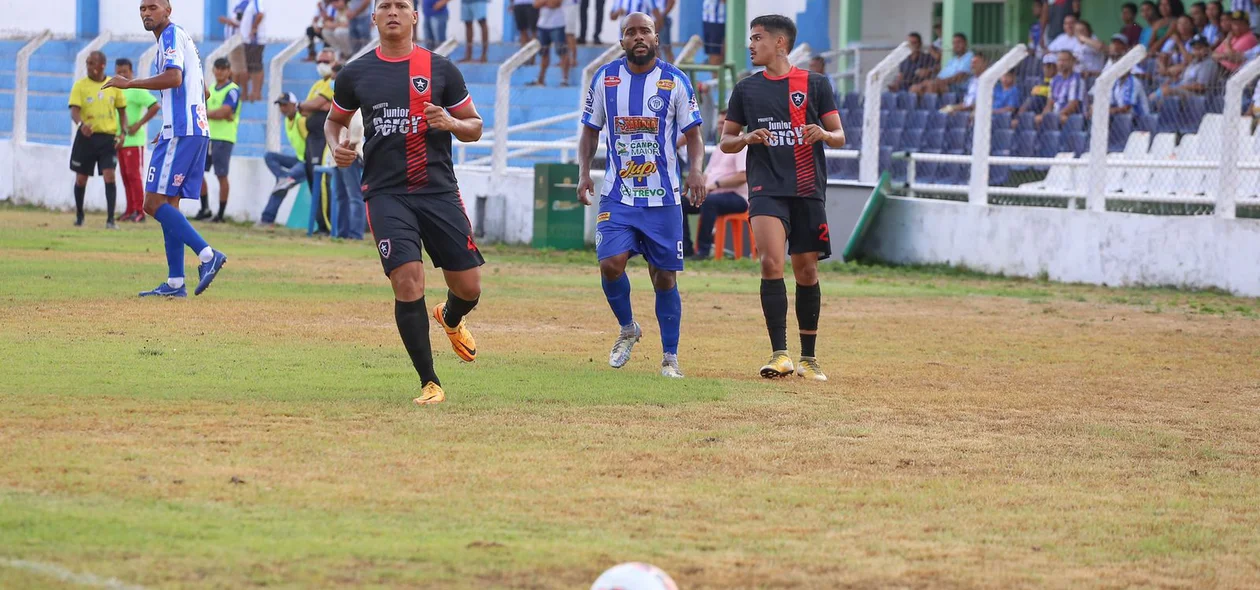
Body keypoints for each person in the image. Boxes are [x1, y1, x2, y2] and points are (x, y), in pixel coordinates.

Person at [326, 0, 486, 405]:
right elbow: (334, 121)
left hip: (437, 190)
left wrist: (449, 122)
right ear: (374, 17)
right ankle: (430, 382)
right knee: (407, 280)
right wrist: (336, 147)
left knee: (468, 287)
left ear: (415, 17)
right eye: (386, 6)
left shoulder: (442, 69)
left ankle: (450, 317)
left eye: (402, 5)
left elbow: (475, 127)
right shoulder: (355, 73)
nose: (393, 11)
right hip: (385, 193)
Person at [576, 12, 704, 379]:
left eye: (644, 30)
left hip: (663, 198)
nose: (638, 37)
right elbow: (589, 131)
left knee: (664, 277)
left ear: (656, 37)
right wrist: (584, 173)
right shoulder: (606, 78)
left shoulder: (675, 81)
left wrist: (695, 170)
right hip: (619, 193)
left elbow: (694, 135)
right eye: (630, 32)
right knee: (609, 264)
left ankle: (670, 357)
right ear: (622, 41)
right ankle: (628, 327)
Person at [719, 15, 844, 382]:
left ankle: (809, 357)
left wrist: (822, 133)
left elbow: (839, 136)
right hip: (766, 187)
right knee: (771, 263)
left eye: (757, 38)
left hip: (807, 188)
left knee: (806, 270)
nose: (751, 45)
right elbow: (725, 142)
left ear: (780, 43)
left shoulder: (815, 84)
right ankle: (780, 354)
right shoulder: (746, 89)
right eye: (750, 38)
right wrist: (745, 139)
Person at [103, 0, 227, 298]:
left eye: (153, 7)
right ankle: (175, 283)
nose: (146, 12)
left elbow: (175, 77)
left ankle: (209, 256)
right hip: (193, 130)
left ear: (167, 10)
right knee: (169, 204)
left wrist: (130, 83)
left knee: (151, 203)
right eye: (142, 8)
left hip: (183, 132)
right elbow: (204, 90)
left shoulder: (170, 35)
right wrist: (170, 122)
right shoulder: (183, 39)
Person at [68, 50, 127, 229]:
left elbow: (122, 110)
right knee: (81, 179)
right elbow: (74, 110)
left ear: (102, 65)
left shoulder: (113, 85)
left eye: (92, 63)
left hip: (107, 138)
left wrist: (123, 132)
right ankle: (79, 215)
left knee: (109, 175)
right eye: (87, 63)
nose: (89, 66)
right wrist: (81, 124)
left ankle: (110, 220)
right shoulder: (80, 85)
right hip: (86, 137)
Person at [684, 108, 747, 259]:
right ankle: (686, 250)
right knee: (680, 202)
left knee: (709, 202)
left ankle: (703, 251)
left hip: (737, 197)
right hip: (712, 194)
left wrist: (716, 185)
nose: (719, 126)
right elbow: (706, 174)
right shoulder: (721, 146)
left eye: (722, 123)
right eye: (718, 123)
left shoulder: (741, 143)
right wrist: (696, 190)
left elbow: (743, 176)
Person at [114, 58, 159, 223]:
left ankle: (140, 211)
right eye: (119, 71)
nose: (122, 74)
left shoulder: (136, 89)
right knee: (125, 176)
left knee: (134, 176)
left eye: (125, 71)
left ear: (131, 72)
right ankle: (130, 209)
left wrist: (138, 124)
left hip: (134, 140)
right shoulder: (117, 90)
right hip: (120, 139)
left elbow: (155, 105)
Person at [197, 58, 242, 223]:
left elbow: (225, 111)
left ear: (229, 71)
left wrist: (207, 114)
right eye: (218, 68)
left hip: (224, 138)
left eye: (224, 68)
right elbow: (217, 111)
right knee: (198, 171)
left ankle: (221, 214)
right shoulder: (211, 90)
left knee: (221, 175)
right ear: (214, 70)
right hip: (208, 136)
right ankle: (205, 208)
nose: (220, 71)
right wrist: (217, 114)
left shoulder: (232, 90)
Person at [301, 49, 337, 234]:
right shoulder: (317, 84)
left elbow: (313, 105)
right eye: (320, 60)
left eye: (326, 61)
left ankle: (329, 225)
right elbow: (307, 108)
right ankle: (320, 224)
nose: (322, 64)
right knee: (312, 181)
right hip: (311, 139)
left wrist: (315, 105)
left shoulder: (334, 83)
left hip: (324, 138)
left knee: (323, 182)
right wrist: (314, 105)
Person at [259, 92, 308, 226]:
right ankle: (282, 177)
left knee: (283, 185)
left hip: (307, 161)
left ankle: (267, 219)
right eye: (280, 105)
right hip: (299, 159)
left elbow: (311, 142)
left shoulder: (301, 119)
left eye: (285, 105)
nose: (283, 108)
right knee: (270, 156)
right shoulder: (288, 120)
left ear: (293, 104)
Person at [1159, 34, 1221, 100]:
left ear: (1207, 48)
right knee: (1160, 90)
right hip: (1185, 92)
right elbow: (1181, 78)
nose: (1197, 51)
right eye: (1195, 48)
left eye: (1199, 48)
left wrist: (1179, 87)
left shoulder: (1209, 63)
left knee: (1166, 92)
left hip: (1198, 97)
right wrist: (1171, 82)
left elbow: (1201, 87)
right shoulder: (1193, 62)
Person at [1037, 50, 1084, 129]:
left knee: (1062, 118)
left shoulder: (1077, 79)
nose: (1061, 63)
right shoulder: (1054, 80)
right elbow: (1050, 103)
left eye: (1065, 60)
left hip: (1071, 115)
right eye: (1059, 60)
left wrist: (1056, 116)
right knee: (1037, 119)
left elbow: (1073, 105)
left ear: (1072, 62)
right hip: (1056, 114)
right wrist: (1044, 115)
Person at [531, 0, 571, 85]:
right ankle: (541, 79)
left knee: (562, 52)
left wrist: (543, 2)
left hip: (557, 25)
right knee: (543, 53)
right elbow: (535, 4)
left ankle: (564, 79)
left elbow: (554, 3)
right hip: (542, 25)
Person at [240, 0, 266, 101]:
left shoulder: (257, 2)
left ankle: (256, 93)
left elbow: (260, 14)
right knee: (251, 66)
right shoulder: (248, 3)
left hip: (255, 40)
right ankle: (253, 93)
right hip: (249, 40)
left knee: (256, 67)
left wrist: (254, 29)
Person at [701, 0, 724, 64]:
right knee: (711, 51)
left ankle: (717, 72)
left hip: (717, 21)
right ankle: (714, 72)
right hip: (706, 19)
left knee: (716, 52)